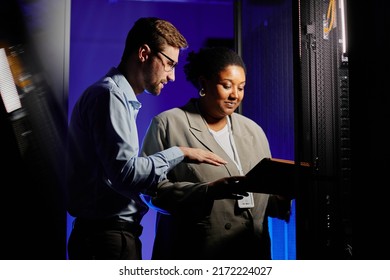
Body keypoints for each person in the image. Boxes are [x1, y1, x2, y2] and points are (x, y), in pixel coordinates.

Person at [65, 18, 241, 260]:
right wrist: (181, 152)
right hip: (106, 240)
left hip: (109, 237)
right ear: (144, 53)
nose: (172, 77)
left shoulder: (116, 98)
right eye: (169, 64)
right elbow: (126, 174)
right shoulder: (109, 96)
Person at [141, 46, 292, 260]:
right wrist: (207, 192)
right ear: (204, 84)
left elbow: (265, 203)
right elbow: (150, 190)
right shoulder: (168, 124)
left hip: (250, 255)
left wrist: (283, 195)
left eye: (241, 88)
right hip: (196, 253)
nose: (235, 95)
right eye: (226, 86)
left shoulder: (254, 131)